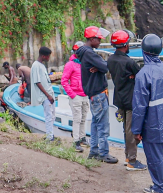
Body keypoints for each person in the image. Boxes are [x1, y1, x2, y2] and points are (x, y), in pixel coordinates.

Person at [132, 34, 163, 193]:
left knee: (155, 159)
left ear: (144, 51)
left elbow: (139, 106)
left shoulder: (143, 74)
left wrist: (136, 130)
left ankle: (161, 188)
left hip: (152, 126)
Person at [76, 26, 118, 163]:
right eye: (98, 39)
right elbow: (106, 67)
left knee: (95, 124)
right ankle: (104, 153)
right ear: (92, 39)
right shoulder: (90, 53)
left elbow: (102, 66)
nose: (99, 42)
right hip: (98, 94)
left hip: (93, 94)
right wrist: (101, 66)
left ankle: (94, 151)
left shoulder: (85, 53)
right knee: (103, 126)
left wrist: (100, 66)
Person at [107, 30, 147, 170]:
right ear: (125, 44)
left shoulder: (111, 59)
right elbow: (142, 77)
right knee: (132, 130)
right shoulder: (129, 62)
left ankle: (127, 155)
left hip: (119, 99)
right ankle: (132, 160)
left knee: (126, 129)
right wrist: (133, 78)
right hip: (131, 100)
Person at [61, 41, 89, 152]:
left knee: (83, 118)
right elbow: (64, 81)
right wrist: (72, 95)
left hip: (84, 95)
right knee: (77, 119)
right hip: (76, 95)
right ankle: (76, 141)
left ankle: (82, 138)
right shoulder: (70, 64)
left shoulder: (84, 63)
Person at [30, 47, 55, 141]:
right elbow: (37, 82)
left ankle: (51, 134)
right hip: (45, 96)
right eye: (48, 56)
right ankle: (49, 137)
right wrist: (48, 96)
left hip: (49, 94)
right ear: (44, 56)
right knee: (48, 116)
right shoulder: (36, 65)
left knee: (52, 116)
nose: (49, 58)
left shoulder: (42, 65)